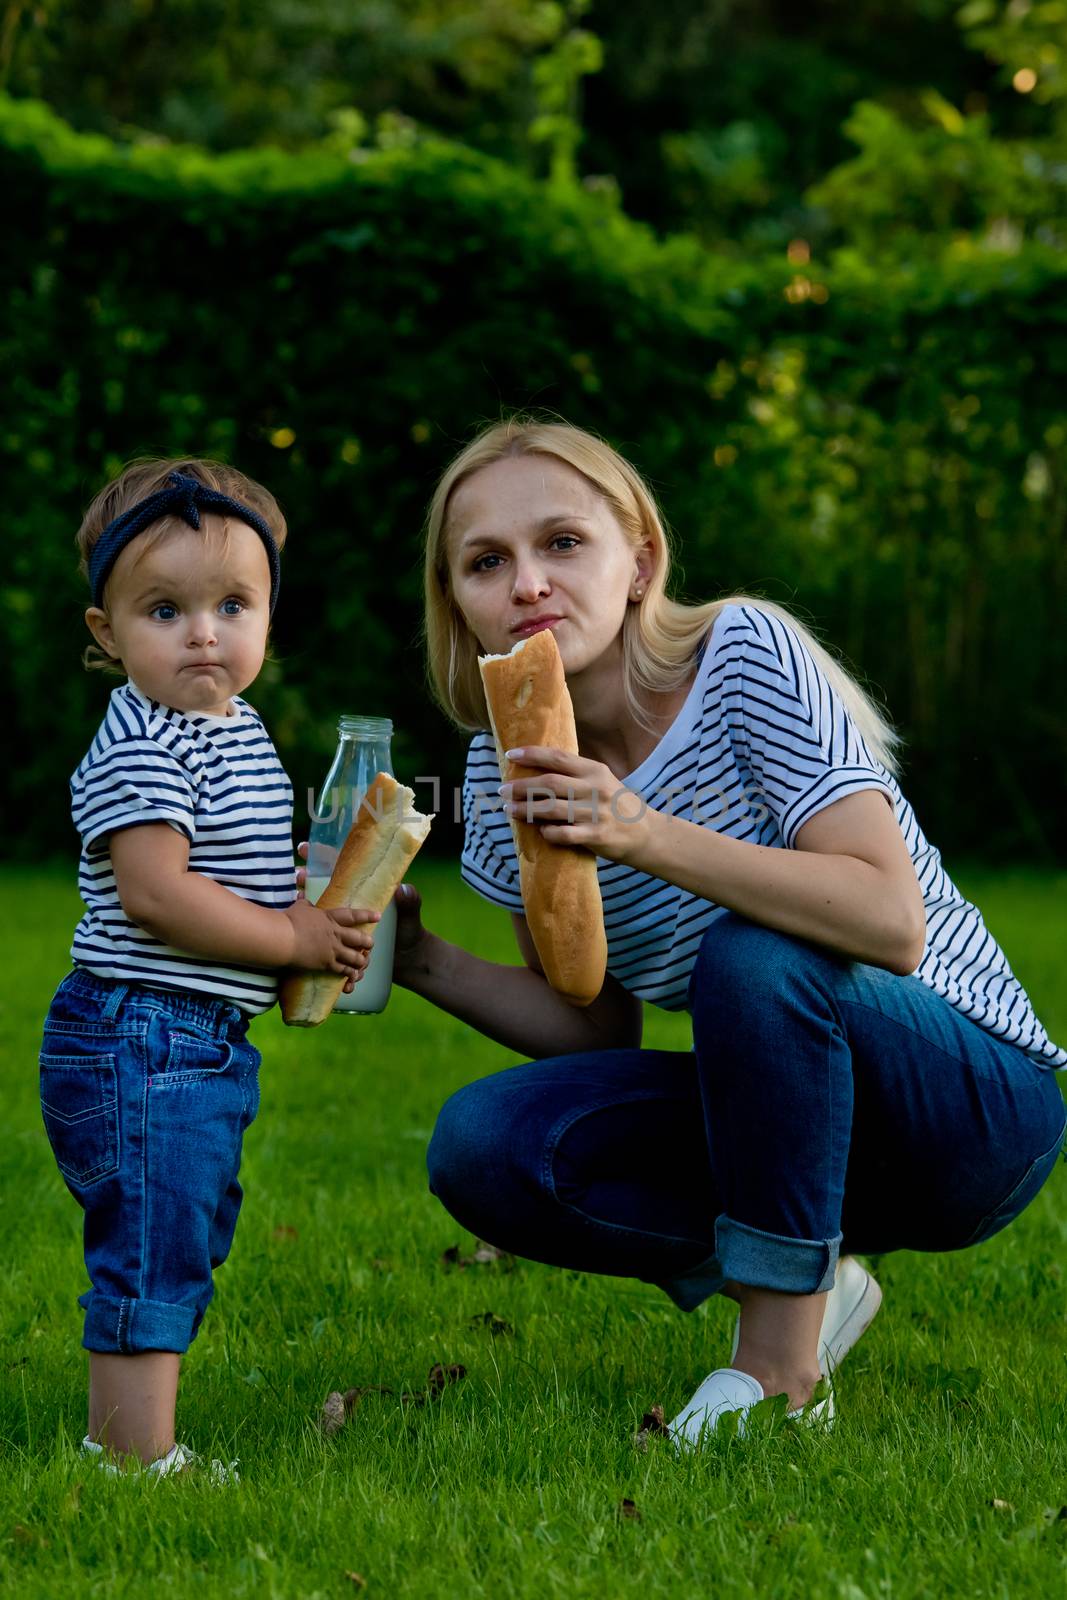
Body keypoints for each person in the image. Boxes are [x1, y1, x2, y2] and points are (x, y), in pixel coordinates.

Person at [374, 415, 1066, 1445]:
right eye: (486, 562)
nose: (526, 583)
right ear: (458, 604)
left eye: (562, 542)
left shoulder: (739, 654)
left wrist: (638, 831)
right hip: (783, 1124)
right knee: (486, 1142)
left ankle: (778, 1374)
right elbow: (593, 1027)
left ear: (639, 558)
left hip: (970, 1105)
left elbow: (885, 918)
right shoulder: (502, 765)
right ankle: (806, 1273)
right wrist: (418, 956)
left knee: (749, 951)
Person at [40, 459, 381, 1478]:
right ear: (107, 632)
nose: (203, 632)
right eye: (164, 608)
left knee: (184, 1219)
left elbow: (248, 871)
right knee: (152, 1232)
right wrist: (288, 941)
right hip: (138, 1030)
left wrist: (317, 906)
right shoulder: (143, 741)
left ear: (269, 612)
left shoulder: (238, 731)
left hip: (194, 1039)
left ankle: (135, 1434)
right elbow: (155, 889)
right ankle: (129, 1454)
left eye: (233, 603)